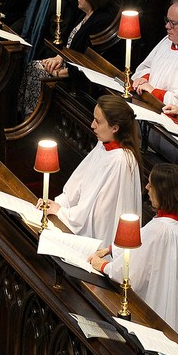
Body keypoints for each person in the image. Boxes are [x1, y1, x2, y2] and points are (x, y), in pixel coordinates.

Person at [88, 164, 178, 352]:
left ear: (164, 191)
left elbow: (131, 272)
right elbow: (144, 244)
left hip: (165, 302)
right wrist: (112, 248)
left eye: (151, 185)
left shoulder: (161, 229)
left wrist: (103, 266)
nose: (146, 188)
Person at [41, 95, 142, 247]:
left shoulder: (121, 160)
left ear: (115, 128)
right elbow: (79, 184)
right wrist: (55, 204)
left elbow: (99, 213)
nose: (92, 125)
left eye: (98, 121)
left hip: (98, 240)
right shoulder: (102, 145)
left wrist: (62, 212)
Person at [19, 0, 116, 112]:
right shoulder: (85, 13)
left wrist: (60, 73)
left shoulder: (102, 21)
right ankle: (26, 113)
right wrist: (58, 57)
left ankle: (33, 114)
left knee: (37, 70)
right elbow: (71, 44)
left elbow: (88, 60)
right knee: (34, 66)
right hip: (67, 61)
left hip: (78, 73)